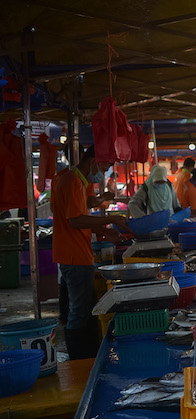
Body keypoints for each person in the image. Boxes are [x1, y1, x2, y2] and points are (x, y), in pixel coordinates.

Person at [52, 145, 132, 359]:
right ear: (93, 161)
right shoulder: (72, 181)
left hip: (77, 252)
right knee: (78, 310)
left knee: (82, 306)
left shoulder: (76, 181)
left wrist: (105, 232)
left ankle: (86, 353)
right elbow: (75, 220)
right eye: (105, 166)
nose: (104, 172)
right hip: (74, 255)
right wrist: (111, 219)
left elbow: (80, 216)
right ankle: (79, 358)